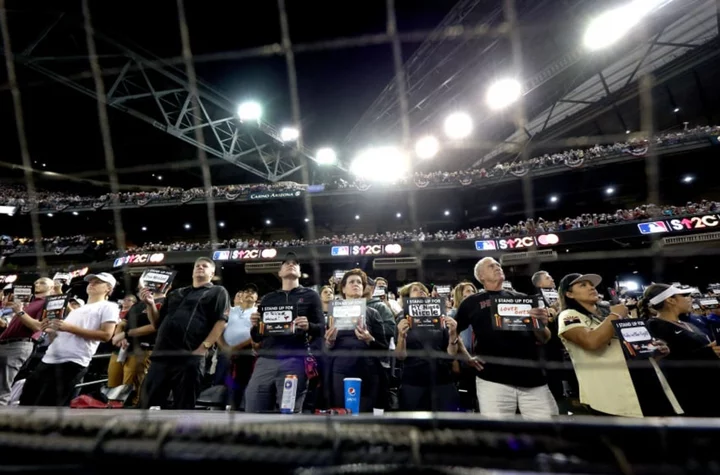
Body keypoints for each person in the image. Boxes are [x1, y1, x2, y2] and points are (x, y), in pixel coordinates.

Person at [557, 273, 682, 417]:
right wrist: (615, 316)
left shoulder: (609, 312)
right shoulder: (568, 315)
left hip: (646, 383)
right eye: (583, 285)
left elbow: (634, 347)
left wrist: (654, 349)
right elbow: (591, 342)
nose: (591, 288)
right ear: (569, 294)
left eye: (592, 285)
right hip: (613, 394)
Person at [454, 257, 556, 419]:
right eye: (491, 266)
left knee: (548, 429)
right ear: (481, 276)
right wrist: (467, 357)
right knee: (499, 432)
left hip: (532, 378)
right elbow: (454, 331)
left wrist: (539, 323)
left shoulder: (523, 298)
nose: (497, 267)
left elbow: (545, 338)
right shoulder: (471, 302)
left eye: (498, 265)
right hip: (493, 379)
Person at [139, 258, 229, 409]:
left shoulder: (218, 291)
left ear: (212, 273)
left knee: (184, 406)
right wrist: (150, 304)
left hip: (190, 355)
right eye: (197, 265)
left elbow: (221, 322)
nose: (200, 267)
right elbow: (156, 323)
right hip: (162, 355)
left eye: (204, 266)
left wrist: (203, 348)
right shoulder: (176, 293)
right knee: (147, 403)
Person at [20, 273, 119, 407]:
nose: (92, 284)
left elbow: (106, 335)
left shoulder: (109, 306)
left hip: (72, 360)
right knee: (28, 398)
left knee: (49, 404)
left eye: (98, 282)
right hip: (50, 357)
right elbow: (65, 331)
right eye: (91, 281)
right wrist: (50, 329)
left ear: (108, 288)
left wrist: (69, 328)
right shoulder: (79, 309)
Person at [246, 253, 325, 413]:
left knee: (289, 413)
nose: (291, 264)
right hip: (265, 360)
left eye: (295, 263)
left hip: (295, 360)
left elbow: (322, 328)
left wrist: (308, 326)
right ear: (279, 272)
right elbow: (257, 336)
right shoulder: (268, 298)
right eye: (286, 263)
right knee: (254, 408)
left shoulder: (311, 296)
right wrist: (255, 326)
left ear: (300, 271)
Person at [641, 284, 720, 417]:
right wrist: (708, 353)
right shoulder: (654, 326)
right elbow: (666, 361)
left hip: (709, 391)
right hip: (689, 398)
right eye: (684, 295)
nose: (690, 298)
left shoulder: (689, 324)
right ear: (670, 300)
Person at [0, 277, 55, 405]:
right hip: (6, 342)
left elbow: (39, 327)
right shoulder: (29, 302)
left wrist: (19, 311)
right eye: (36, 281)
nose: (37, 283)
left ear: (52, 288)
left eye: (42, 282)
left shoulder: (48, 303)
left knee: (2, 387)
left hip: (19, 344)